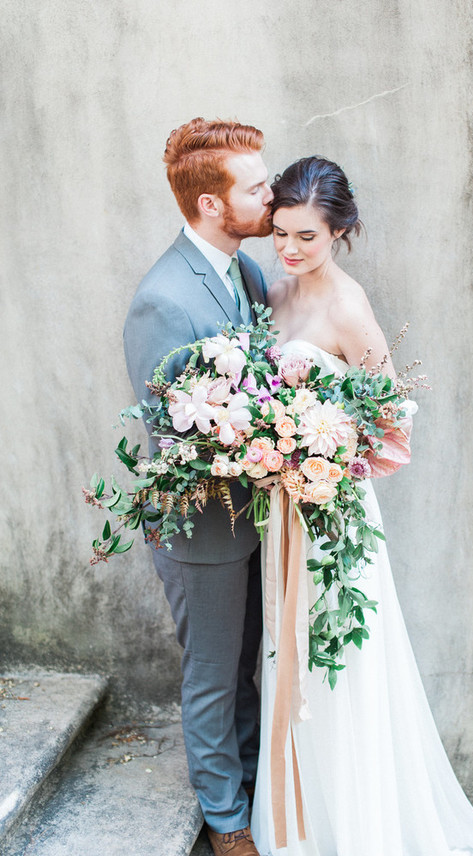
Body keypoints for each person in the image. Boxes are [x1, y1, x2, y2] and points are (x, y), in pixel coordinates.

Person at [250, 157, 473, 856]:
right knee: (289, 654)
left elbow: (390, 425)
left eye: (306, 235)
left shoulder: (349, 307)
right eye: (280, 232)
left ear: (341, 230)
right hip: (282, 512)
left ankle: (359, 829)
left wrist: (323, 450)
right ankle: (299, 822)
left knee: (339, 657)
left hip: (333, 514)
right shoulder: (275, 295)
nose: (289, 248)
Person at [123, 118, 273, 856]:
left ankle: (249, 782)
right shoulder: (163, 298)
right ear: (212, 205)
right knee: (214, 677)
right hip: (202, 530)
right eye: (255, 187)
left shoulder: (244, 273)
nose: (270, 197)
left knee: (248, 666)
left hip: (257, 516)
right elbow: (171, 433)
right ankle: (226, 823)